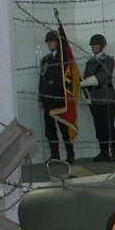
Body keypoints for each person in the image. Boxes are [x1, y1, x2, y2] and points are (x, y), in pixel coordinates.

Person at [38, 30, 75, 162]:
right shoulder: (46, 60)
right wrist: (41, 98)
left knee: (64, 128)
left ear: (58, 42)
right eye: (48, 42)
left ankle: (70, 154)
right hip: (49, 99)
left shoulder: (64, 59)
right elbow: (41, 80)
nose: (49, 44)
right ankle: (55, 155)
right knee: (50, 129)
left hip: (61, 99)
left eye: (52, 41)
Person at [80, 34, 115, 162]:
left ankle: (114, 151)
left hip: (106, 96)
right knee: (99, 126)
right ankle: (103, 152)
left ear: (102, 45)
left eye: (95, 44)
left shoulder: (108, 60)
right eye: (92, 45)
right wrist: (86, 93)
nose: (93, 47)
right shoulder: (90, 62)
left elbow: (103, 76)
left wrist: (87, 82)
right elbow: (85, 77)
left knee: (108, 125)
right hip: (95, 97)